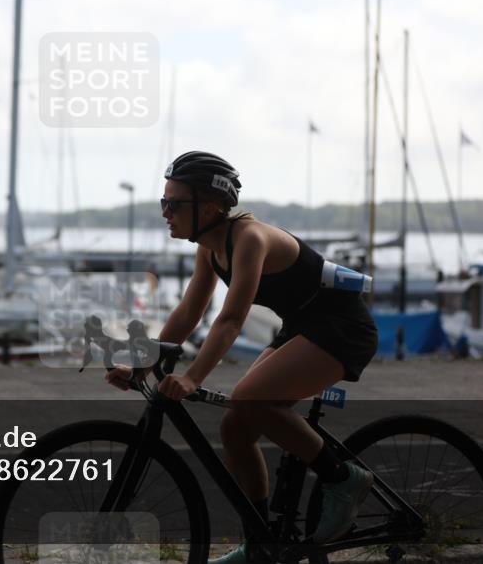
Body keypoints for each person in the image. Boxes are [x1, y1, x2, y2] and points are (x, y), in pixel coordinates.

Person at [106, 151, 379, 563]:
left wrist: (193, 377)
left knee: (249, 397)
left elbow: (231, 319)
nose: (165, 212)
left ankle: (343, 479)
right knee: (236, 424)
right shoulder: (209, 248)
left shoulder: (249, 238)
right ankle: (261, 542)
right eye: (162, 202)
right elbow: (188, 314)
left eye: (174, 203)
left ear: (211, 206)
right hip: (301, 327)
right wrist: (144, 365)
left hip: (342, 328)